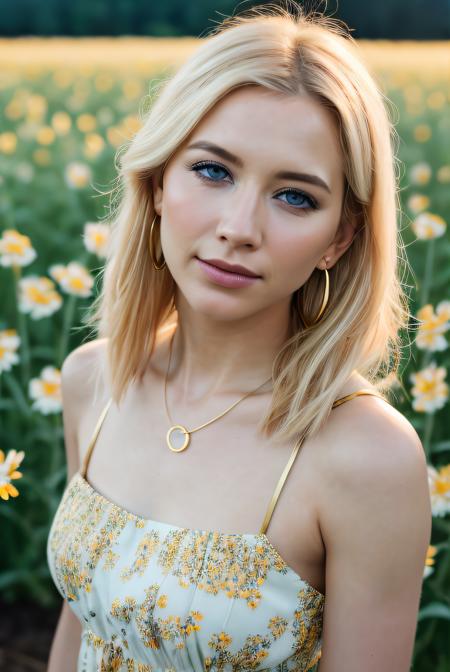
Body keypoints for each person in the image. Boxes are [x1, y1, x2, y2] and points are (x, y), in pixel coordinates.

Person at [46, 3, 432, 671]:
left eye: (295, 197)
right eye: (214, 171)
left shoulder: (366, 459)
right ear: (159, 181)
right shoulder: (95, 382)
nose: (240, 226)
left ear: (338, 239)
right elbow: (82, 623)